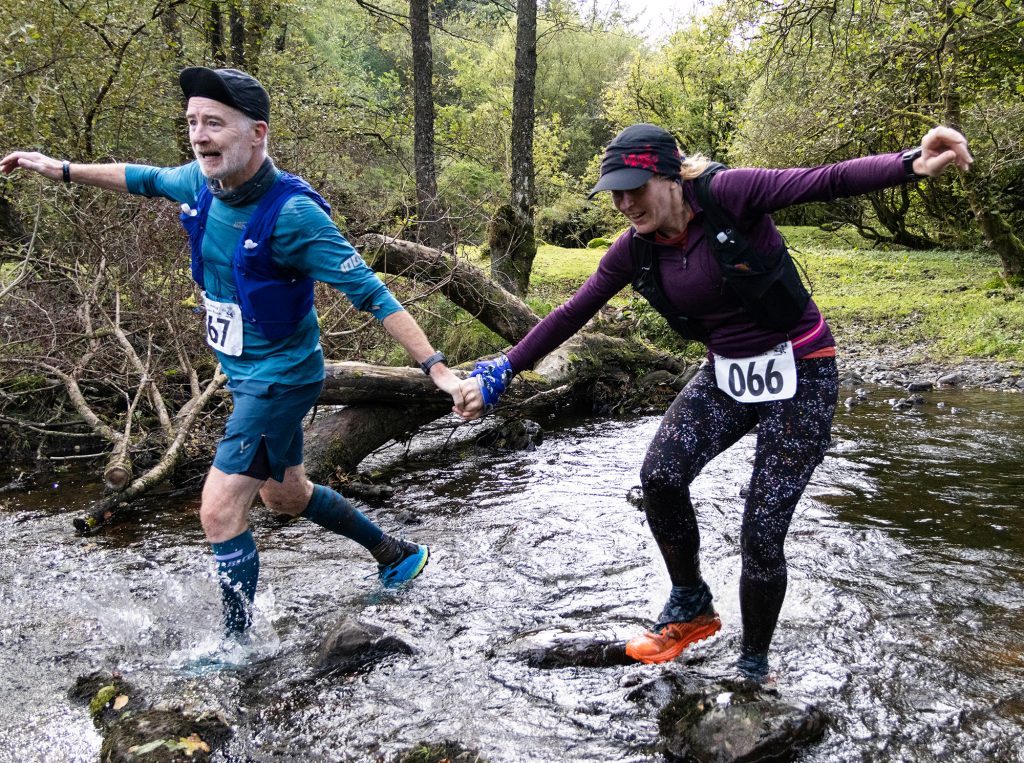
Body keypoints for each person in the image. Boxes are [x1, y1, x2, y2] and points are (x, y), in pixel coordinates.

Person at [460, 122, 972, 679]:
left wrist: (909, 164)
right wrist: (502, 371)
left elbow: (823, 180)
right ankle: (691, 604)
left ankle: (753, 666)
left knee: (761, 531)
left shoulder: (730, 195)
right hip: (727, 374)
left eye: (635, 187)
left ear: (671, 176)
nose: (625, 202)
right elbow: (569, 314)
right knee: (659, 475)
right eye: (615, 191)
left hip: (802, 370)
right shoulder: (632, 251)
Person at [1, 67, 467, 636]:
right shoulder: (200, 184)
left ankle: (239, 644)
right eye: (193, 123)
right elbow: (139, 177)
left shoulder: (294, 215)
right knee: (286, 497)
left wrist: (436, 370)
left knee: (219, 511)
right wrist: (61, 169)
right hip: (245, 374)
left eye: (215, 124)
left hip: (281, 377)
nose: (199, 136)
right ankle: (397, 555)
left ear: (258, 133)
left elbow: (371, 294)